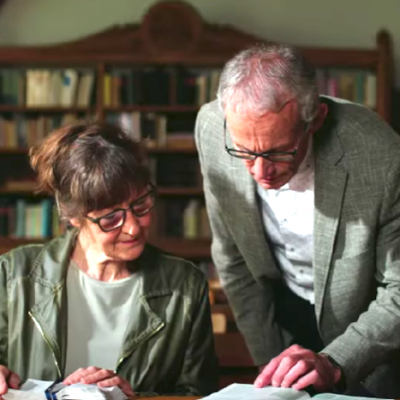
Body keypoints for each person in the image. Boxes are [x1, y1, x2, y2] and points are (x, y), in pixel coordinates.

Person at [195, 43, 400, 397]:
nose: (261, 171)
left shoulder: (381, 158)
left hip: (364, 321)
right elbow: (233, 257)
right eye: (244, 151)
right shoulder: (213, 128)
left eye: (277, 151)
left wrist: (336, 362)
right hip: (281, 306)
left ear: (315, 119)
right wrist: (270, 364)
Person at [0, 122, 218, 397]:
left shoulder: (185, 286)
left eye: (140, 206)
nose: (133, 227)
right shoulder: (13, 274)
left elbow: (198, 393)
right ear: (74, 217)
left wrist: (134, 398)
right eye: (111, 218)